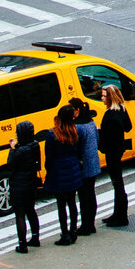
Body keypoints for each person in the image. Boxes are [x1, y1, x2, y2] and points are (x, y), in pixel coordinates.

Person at [44, 104, 83, 246]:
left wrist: (49, 170)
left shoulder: (52, 134)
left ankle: (65, 234)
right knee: (72, 202)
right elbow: (78, 151)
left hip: (58, 172)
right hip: (73, 169)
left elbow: (49, 157)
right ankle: (73, 231)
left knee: (61, 205)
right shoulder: (75, 131)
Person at [99, 85, 132, 227]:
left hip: (112, 152)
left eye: (104, 96)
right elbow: (128, 127)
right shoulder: (121, 109)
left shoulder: (110, 115)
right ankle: (117, 213)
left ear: (110, 97)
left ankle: (121, 217)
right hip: (118, 150)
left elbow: (108, 138)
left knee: (117, 183)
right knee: (118, 183)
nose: (102, 98)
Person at [7, 120, 42, 254]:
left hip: (19, 184)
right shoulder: (35, 145)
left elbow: (10, 163)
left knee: (20, 214)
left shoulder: (19, 151)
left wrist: (12, 149)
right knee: (31, 210)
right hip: (31, 182)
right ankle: (35, 237)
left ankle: (22, 244)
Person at [71, 97, 101, 236]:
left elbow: (76, 147)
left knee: (83, 197)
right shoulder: (90, 121)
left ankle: (85, 226)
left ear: (77, 110)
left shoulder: (77, 127)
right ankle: (91, 224)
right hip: (93, 162)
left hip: (83, 165)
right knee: (91, 194)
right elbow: (97, 140)